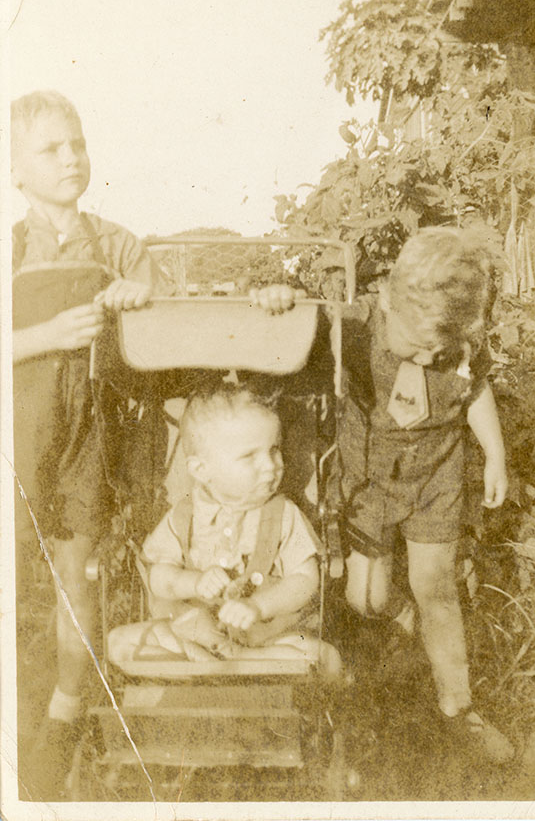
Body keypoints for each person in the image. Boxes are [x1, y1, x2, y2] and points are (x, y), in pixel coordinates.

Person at [256, 227, 514, 763]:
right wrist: (276, 299)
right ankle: (413, 625)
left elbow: (476, 391)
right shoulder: (351, 326)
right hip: (368, 484)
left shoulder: (453, 340)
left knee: (435, 584)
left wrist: (494, 454)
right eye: (419, 345)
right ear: (388, 300)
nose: (428, 357)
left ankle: (457, 706)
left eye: (440, 349)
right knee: (365, 598)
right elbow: (290, 323)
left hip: (436, 479)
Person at [11, 90, 175, 799]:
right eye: (50, 149)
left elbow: (169, 327)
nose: (71, 158)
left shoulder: (118, 245)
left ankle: (66, 710)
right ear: (14, 168)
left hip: (86, 437)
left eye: (76, 143)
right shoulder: (9, 247)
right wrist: (43, 337)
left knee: (76, 579)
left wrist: (140, 299)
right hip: (15, 429)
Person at [108, 387, 341, 676]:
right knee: (118, 643)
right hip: (197, 632)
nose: (271, 466)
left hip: (266, 636)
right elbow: (159, 577)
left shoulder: (282, 514)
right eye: (249, 457)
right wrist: (193, 583)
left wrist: (258, 606)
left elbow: (305, 580)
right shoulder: (183, 516)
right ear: (202, 470)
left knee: (321, 656)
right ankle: (223, 663)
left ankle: (221, 665)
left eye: (274, 450)